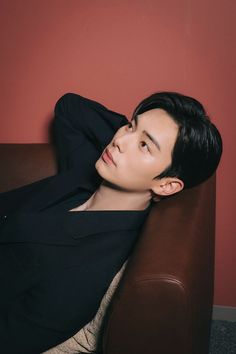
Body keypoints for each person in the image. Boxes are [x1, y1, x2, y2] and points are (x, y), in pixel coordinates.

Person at [0, 91, 222, 353]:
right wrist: (138, 134)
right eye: (129, 126)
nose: (119, 140)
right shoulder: (89, 169)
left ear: (167, 185)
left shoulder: (86, 272)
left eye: (145, 146)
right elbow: (69, 107)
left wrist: (136, 134)